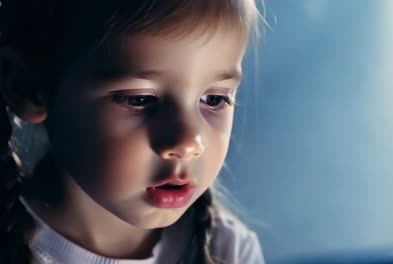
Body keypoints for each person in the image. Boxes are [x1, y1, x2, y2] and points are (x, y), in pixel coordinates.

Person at [0, 0, 264, 263]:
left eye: (214, 99)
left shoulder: (232, 251)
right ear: (28, 89)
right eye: (139, 99)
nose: (188, 143)